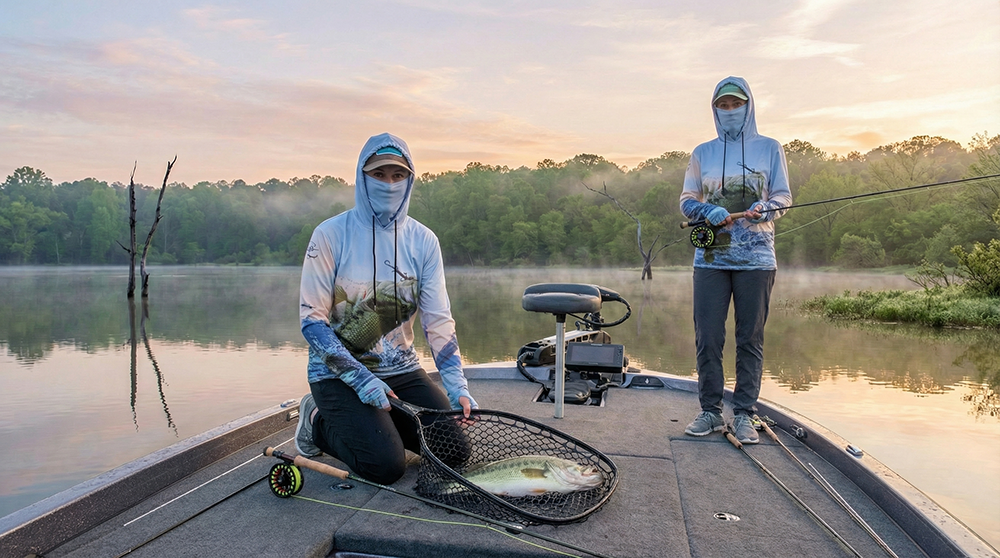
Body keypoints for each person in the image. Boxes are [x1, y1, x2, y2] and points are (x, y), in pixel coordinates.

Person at [295, 132, 476, 484]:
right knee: (385, 466)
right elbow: (312, 322)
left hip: (401, 369)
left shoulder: (423, 240)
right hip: (337, 375)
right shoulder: (330, 234)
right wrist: (361, 379)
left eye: (398, 175)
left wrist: (458, 387)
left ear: (410, 179)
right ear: (362, 177)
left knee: (455, 453)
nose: (389, 184)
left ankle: (380, 422)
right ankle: (315, 419)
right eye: (378, 174)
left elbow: (438, 320)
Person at [679, 76, 791, 444]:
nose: (729, 111)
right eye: (722, 105)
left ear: (749, 106)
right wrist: (706, 209)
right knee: (708, 337)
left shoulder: (770, 148)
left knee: (750, 338)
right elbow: (686, 201)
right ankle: (710, 411)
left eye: (735, 104)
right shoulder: (702, 153)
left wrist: (765, 209)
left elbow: (783, 197)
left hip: (757, 260)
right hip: (710, 259)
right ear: (714, 110)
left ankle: (744, 414)